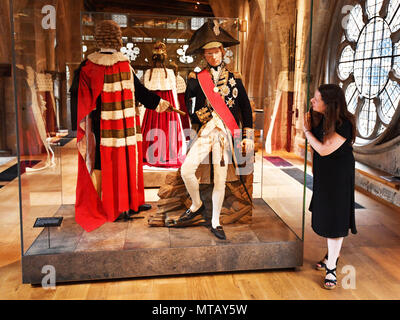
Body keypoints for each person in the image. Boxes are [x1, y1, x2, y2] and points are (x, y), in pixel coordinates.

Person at [74, 20, 173, 232]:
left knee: (104, 162)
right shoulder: (122, 64)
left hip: (102, 127)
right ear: (117, 39)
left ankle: (121, 204)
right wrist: (161, 104)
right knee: (124, 161)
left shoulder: (88, 66)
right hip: (125, 127)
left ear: (97, 37)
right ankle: (121, 205)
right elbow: (142, 93)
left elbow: (78, 98)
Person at [176, 20, 254, 240]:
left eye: (216, 52)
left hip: (226, 135)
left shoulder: (235, 79)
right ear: (204, 55)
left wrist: (246, 136)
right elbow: (189, 106)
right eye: (208, 53)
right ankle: (197, 204)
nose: (213, 57)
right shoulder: (195, 79)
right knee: (186, 170)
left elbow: (246, 109)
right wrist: (200, 117)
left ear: (222, 52)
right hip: (205, 131)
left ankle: (216, 221)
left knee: (220, 179)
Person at [303, 84, 357, 289]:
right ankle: (332, 255)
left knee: (336, 220)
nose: (312, 101)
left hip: (339, 176)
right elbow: (315, 152)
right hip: (324, 176)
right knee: (326, 217)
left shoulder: (345, 123)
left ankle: (331, 269)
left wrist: (307, 131)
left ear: (329, 103)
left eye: (316, 98)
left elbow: (324, 149)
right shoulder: (320, 117)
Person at [141, 42, 186, 168]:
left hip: (153, 107)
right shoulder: (170, 73)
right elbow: (174, 96)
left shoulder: (148, 73)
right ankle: (166, 153)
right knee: (168, 128)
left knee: (151, 125)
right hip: (166, 107)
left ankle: (152, 153)